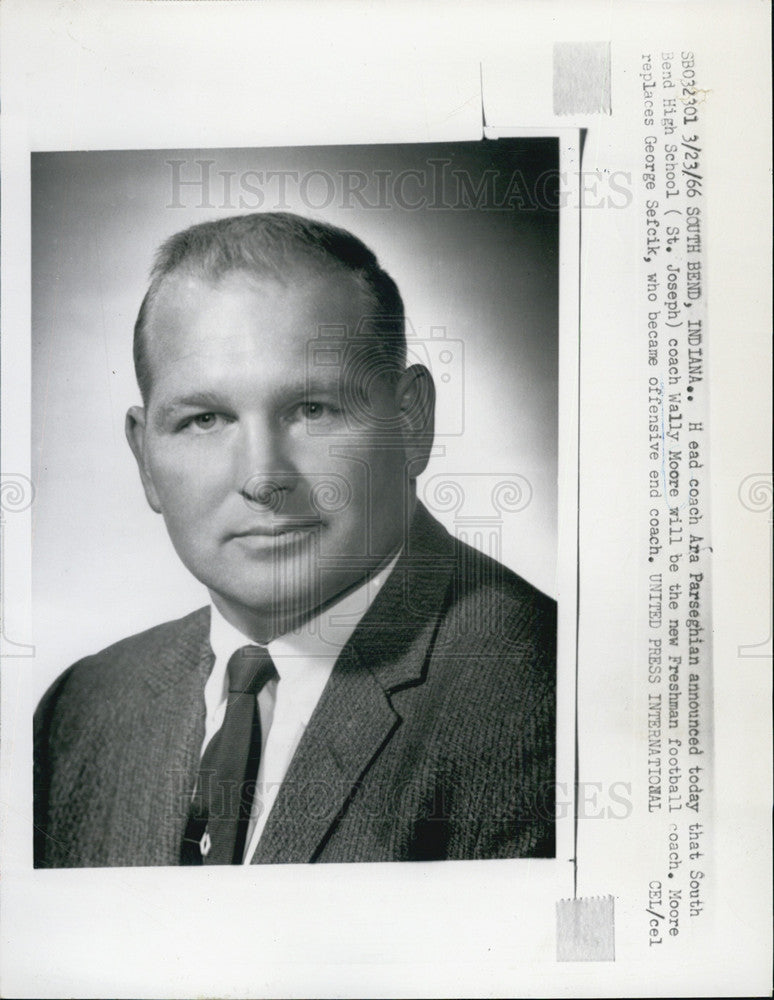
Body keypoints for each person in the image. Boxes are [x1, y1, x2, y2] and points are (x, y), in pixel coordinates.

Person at [34, 211, 556, 868]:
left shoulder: (541, 696)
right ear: (145, 458)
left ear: (412, 421)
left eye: (313, 409)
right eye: (204, 420)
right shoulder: (82, 708)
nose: (262, 479)